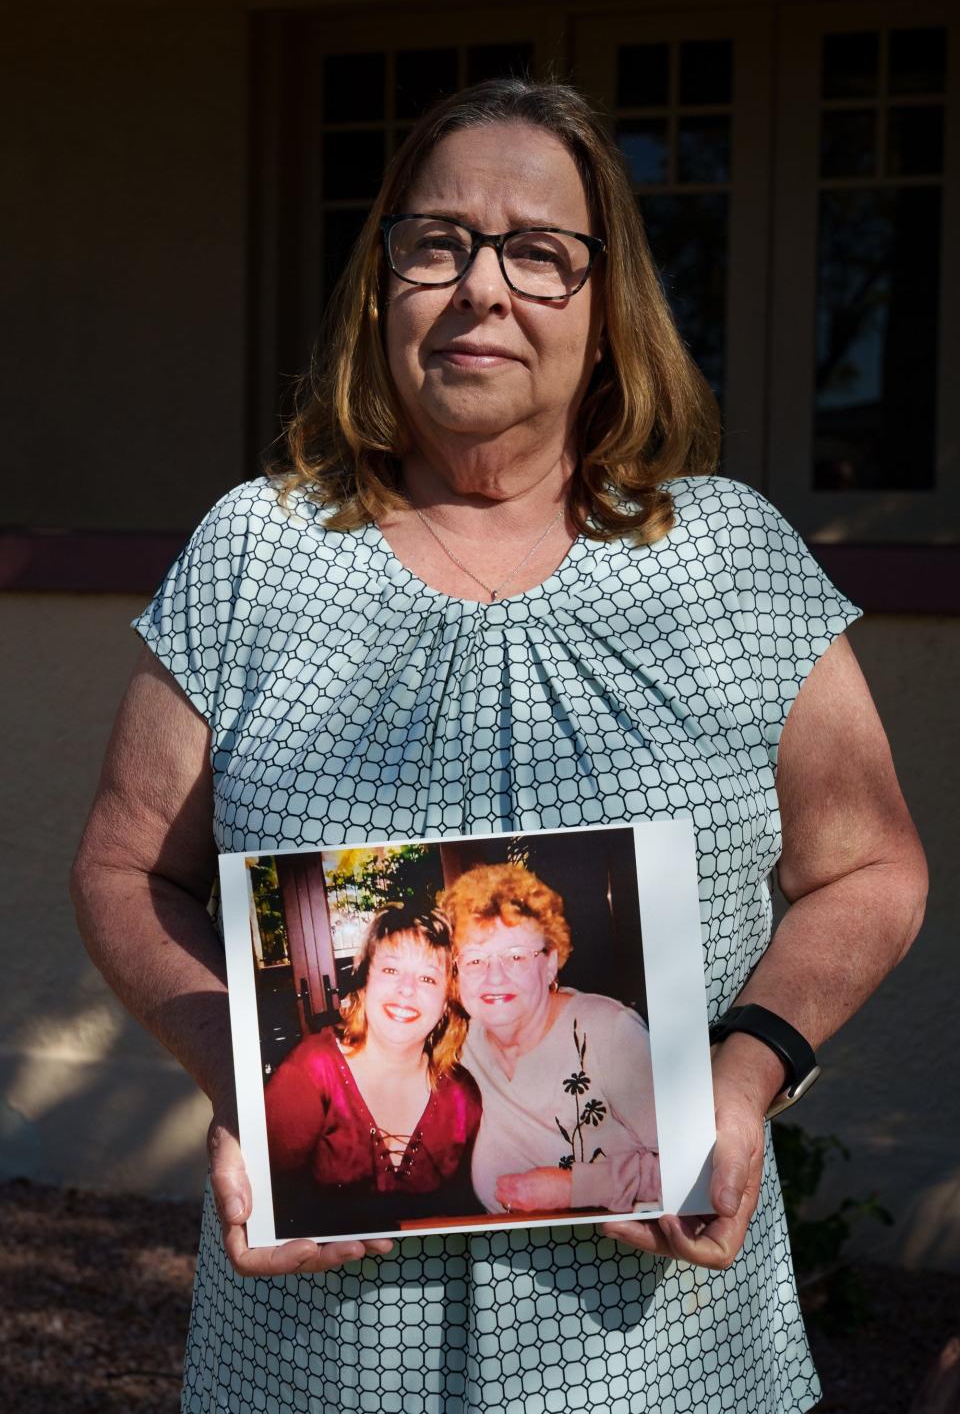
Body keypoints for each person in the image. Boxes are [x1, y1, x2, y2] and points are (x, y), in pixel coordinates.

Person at [70, 76, 927, 1414]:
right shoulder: (255, 551)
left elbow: (869, 866)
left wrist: (745, 1072)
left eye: (538, 251)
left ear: (606, 307)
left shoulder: (733, 560)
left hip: (662, 1354)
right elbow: (125, 870)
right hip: (320, 1355)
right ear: (382, 286)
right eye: (438, 242)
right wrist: (241, 1073)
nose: (482, 287)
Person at [437, 861, 661, 1216]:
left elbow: (693, 1163)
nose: (494, 978)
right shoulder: (464, 1044)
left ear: (550, 962)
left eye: (515, 956)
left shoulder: (608, 1033)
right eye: (475, 960)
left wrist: (573, 1188)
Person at [264, 904, 482, 1237]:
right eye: (392, 971)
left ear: (446, 1002)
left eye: (427, 977)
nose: (406, 990)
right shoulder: (310, 1072)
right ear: (364, 983)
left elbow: (464, 1219)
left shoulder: (462, 1096)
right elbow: (265, 1208)